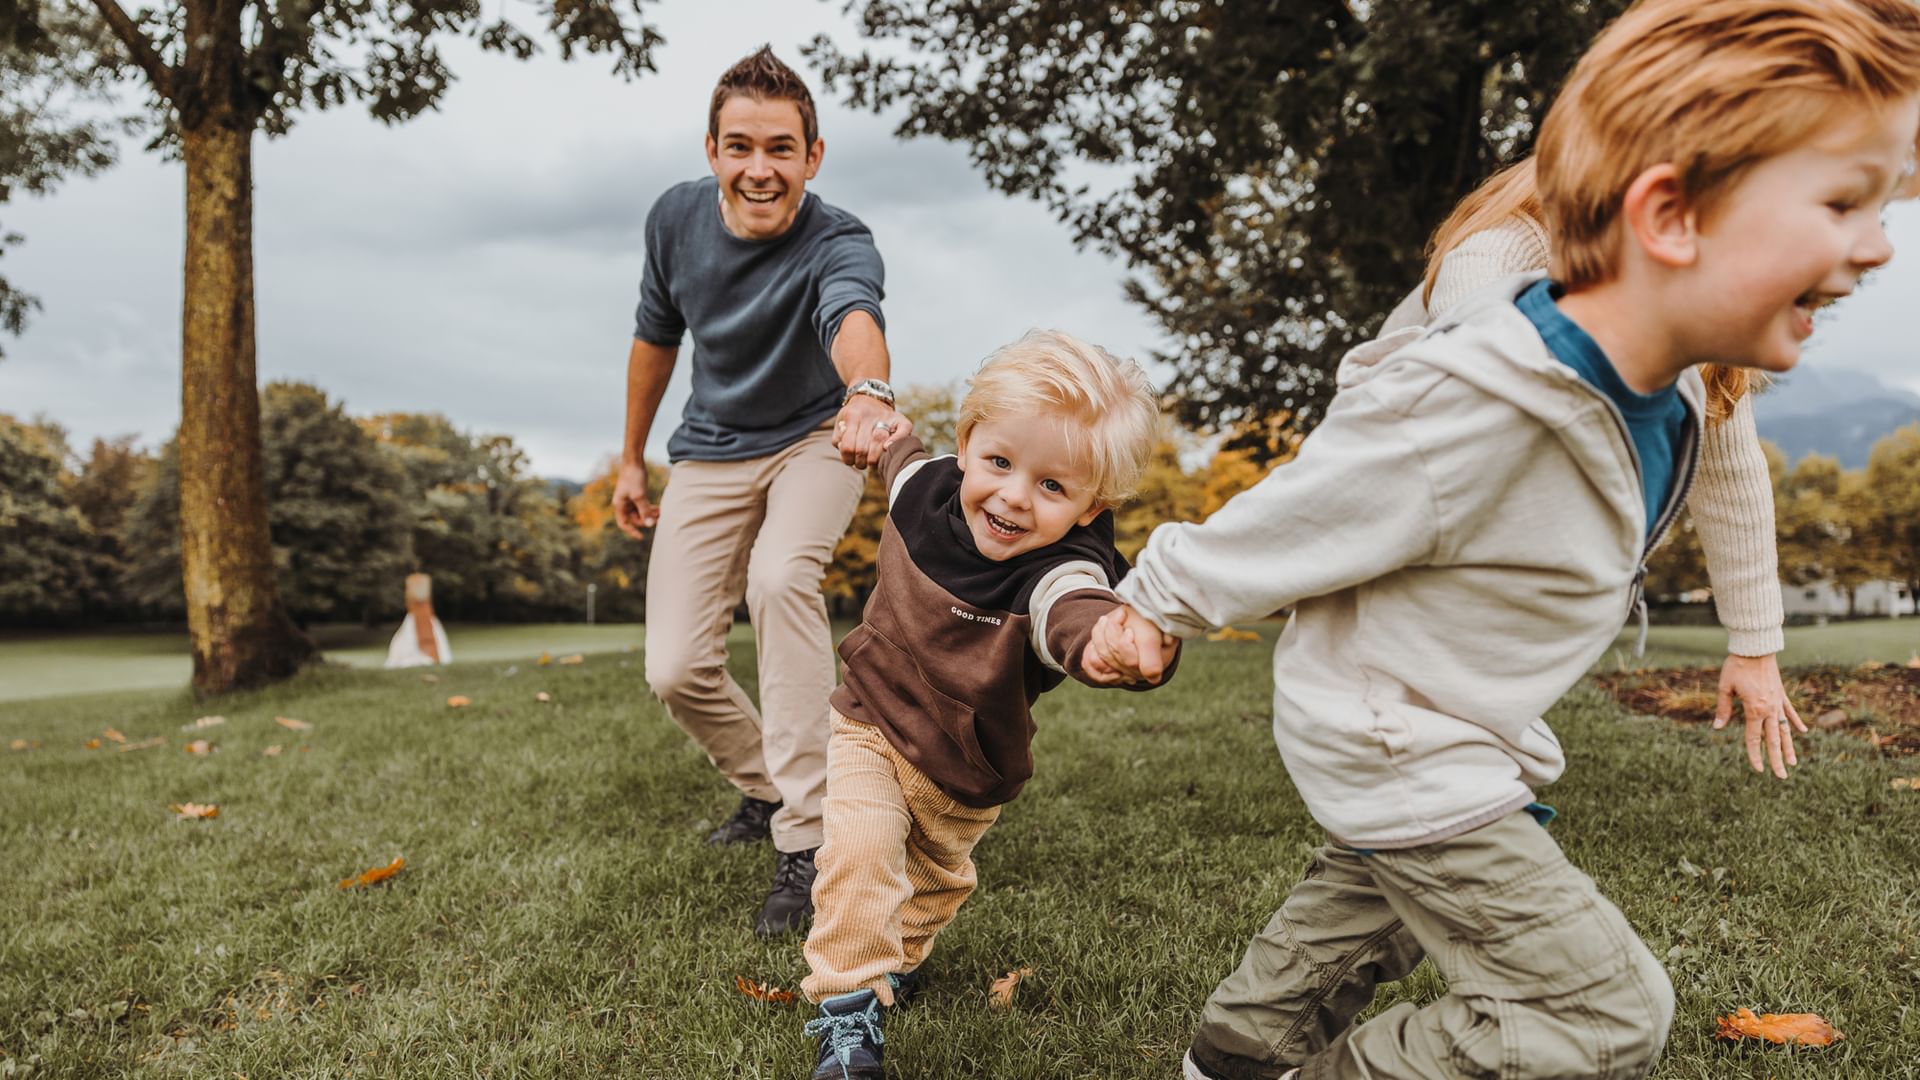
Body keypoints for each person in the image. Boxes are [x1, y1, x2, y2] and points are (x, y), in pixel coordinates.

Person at [1094, 2, 1920, 1076]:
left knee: (1387, 878)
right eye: (1845, 200)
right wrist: (1155, 600)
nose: (1878, 244)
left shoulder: (1663, 387)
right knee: (1601, 1013)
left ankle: (1240, 1050)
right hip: (1398, 729)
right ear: (1669, 217)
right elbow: (1317, 501)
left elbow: (1729, 469)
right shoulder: (1490, 383)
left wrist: (1752, 640)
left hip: (1457, 714)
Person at [797, 331, 1177, 1080]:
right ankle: (846, 1015)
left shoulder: (1065, 569)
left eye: (1052, 486)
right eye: (1000, 463)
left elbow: (1072, 610)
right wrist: (883, 430)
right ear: (968, 445)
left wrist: (1106, 642)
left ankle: (892, 965)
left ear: (1091, 505)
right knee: (861, 852)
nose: (1012, 496)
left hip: (966, 767)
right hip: (870, 719)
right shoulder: (926, 486)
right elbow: (899, 456)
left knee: (932, 886)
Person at [1381, 157, 1810, 775]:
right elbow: (1473, 347)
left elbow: (1729, 466)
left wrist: (1755, 644)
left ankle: (1431, 807)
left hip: (1514, 533)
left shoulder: (1695, 289)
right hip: (1417, 477)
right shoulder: (1507, 246)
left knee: (1463, 717)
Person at [611, 46, 904, 937]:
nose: (759, 168)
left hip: (818, 435)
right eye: (740, 146)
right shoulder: (675, 221)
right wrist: (631, 458)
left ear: (813, 157)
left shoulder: (841, 239)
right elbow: (655, 338)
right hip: (709, 449)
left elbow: (854, 316)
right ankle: (769, 786)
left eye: (781, 148)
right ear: (712, 151)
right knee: (675, 667)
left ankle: (807, 840)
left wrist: (868, 394)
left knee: (781, 580)